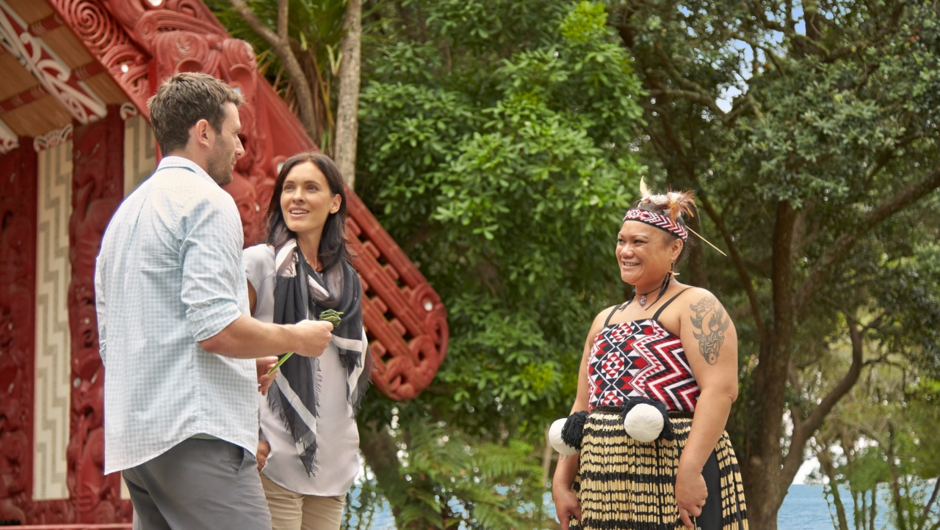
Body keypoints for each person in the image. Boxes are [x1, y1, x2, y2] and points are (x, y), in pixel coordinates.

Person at [95, 72, 335, 530]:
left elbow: (115, 344)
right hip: (197, 435)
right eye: (235, 133)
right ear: (204, 132)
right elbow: (217, 330)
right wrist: (297, 338)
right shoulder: (207, 200)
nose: (241, 148)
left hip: (138, 442)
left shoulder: (123, 218)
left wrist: (246, 363)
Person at [551, 185, 749, 530]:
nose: (625, 251)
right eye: (621, 241)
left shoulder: (695, 304)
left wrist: (689, 471)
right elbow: (583, 407)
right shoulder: (604, 319)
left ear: (674, 248)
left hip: (674, 474)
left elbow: (720, 390)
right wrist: (562, 482)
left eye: (638, 242)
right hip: (603, 485)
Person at [244, 152, 372, 530]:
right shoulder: (259, 265)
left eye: (310, 188)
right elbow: (224, 345)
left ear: (335, 202)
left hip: (332, 463)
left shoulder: (346, 283)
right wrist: (248, 433)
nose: (296, 197)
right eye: (289, 188)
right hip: (274, 456)